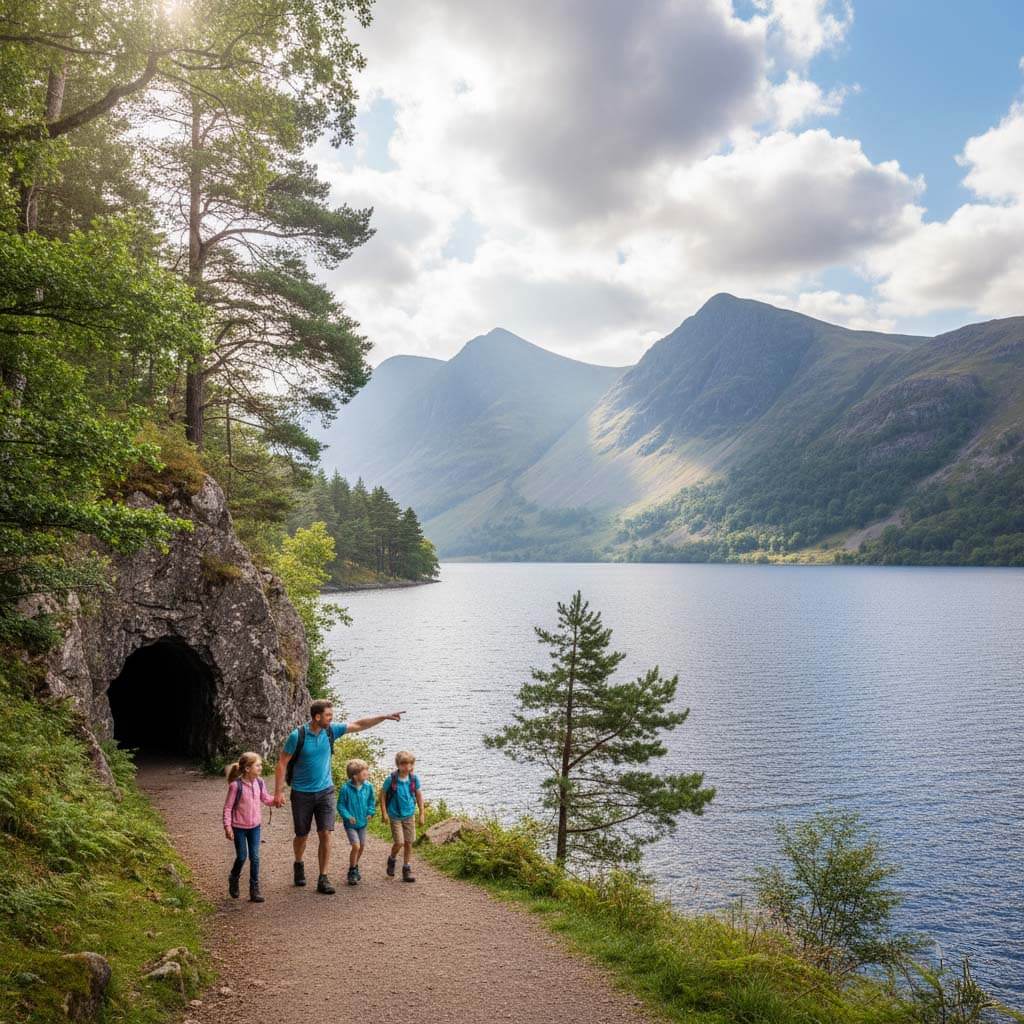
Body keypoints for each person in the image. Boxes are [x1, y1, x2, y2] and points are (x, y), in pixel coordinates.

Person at [273, 699, 403, 895]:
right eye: (328, 716)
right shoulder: (297, 735)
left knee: (326, 833)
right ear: (317, 717)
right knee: (302, 835)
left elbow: (359, 725)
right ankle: (298, 863)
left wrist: (383, 717)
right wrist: (279, 791)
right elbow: (283, 762)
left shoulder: (331, 731)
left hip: (326, 791)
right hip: (301, 793)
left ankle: (323, 877)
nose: (331, 718)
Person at [223, 752, 275, 903]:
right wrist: (228, 827)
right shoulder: (235, 786)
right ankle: (234, 877)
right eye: (257, 765)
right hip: (238, 827)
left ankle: (254, 889)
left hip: (255, 827)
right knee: (241, 857)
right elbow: (227, 808)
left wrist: (276, 800)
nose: (261, 767)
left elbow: (265, 798)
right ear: (247, 768)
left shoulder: (259, 782)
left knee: (255, 857)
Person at [380, 750, 425, 883]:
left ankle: (406, 868)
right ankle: (392, 859)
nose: (406, 767)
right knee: (399, 842)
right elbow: (382, 795)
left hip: (409, 815)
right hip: (394, 815)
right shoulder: (391, 779)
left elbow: (419, 795)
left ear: (412, 765)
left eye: (409, 764)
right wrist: (384, 813)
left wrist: (422, 813)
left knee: (408, 842)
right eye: (403, 764)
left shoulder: (414, 779)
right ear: (398, 764)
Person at [337, 758, 376, 886]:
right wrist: (348, 816)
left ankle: (355, 865)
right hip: (351, 825)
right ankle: (352, 871)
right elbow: (341, 806)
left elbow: (371, 801)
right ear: (355, 776)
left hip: (362, 823)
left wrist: (370, 812)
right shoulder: (345, 789)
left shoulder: (368, 787)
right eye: (364, 773)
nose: (367, 774)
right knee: (356, 846)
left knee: (362, 846)